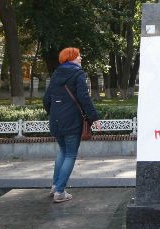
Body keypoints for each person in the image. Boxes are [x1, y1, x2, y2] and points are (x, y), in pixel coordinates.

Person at [43, 47, 100, 203]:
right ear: (71, 58)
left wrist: (55, 113)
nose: (81, 58)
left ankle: (55, 186)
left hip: (56, 121)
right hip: (72, 122)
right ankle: (60, 192)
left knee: (62, 151)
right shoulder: (78, 74)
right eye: (78, 56)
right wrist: (94, 118)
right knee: (70, 155)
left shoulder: (55, 74)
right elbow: (84, 98)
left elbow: (46, 99)